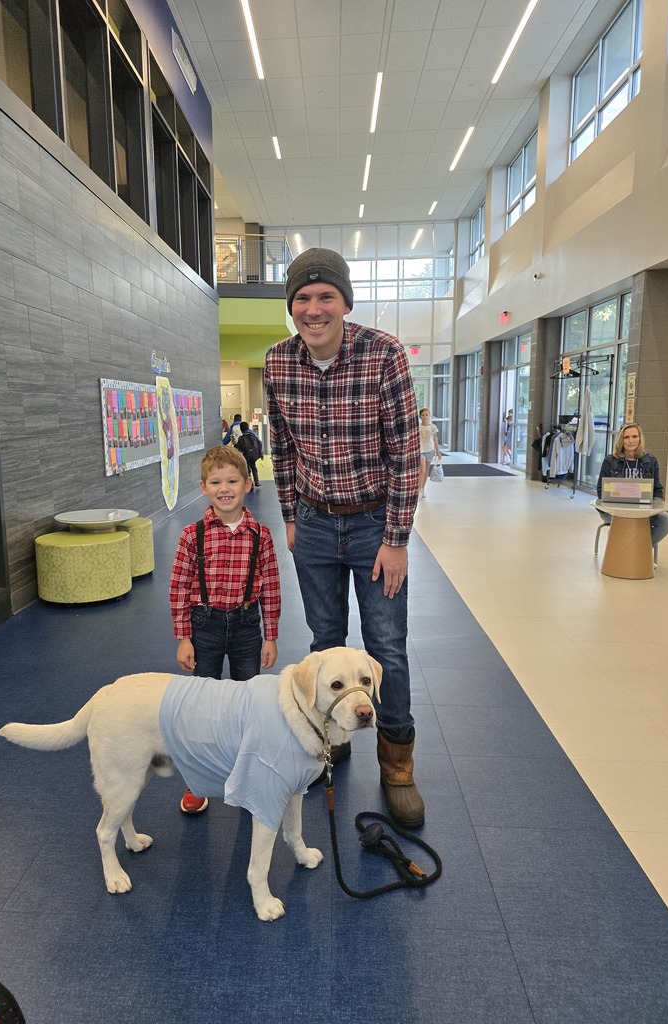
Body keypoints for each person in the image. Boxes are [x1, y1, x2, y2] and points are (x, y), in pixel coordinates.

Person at [264, 246, 425, 828]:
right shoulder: (278, 362)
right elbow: (280, 447)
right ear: (292, 307)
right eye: (302, 298)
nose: (313, 308)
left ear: (344, 301)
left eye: (325, 296)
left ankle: (398, 763)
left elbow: (408, 452)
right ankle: (328, 740)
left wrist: (397, 537)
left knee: (386, 649)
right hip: (311, 521)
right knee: (323, 643)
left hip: (373, 525)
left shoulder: (384, 355)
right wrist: (288, 513)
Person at [169, 445, 281, 813]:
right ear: (203, 487)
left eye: (232, 480)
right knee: (202, 702)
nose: (225, 487)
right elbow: (179, 587)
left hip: (248, 626)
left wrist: (271, 635)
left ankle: (249, 773)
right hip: (206, 626)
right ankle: (198, 780)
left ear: (248, 484)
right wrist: (184, 636)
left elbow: (272, 585)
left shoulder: (260, 535)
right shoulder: (192, 534)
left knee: (250, 700)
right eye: (216, 482)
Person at [596, 422, 668, 546]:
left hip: (644, 512)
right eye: (626, 437)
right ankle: (628, 555)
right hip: (615, 512)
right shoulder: (610, 460)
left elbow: (657, 489)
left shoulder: (651, 460)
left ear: (640, 439)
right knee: (627, 523)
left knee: (667, 520)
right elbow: (601, 489)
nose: (631, 441)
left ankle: (642, 552)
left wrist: (654, 506)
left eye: (634, 436)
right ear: (621, 440)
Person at [418, 407, 441, 496]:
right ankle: (419, 490)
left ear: (429, 415)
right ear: (420, 417)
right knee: (422, 470)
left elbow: (435, 440)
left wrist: (438, 452)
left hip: (430, 450)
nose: (425, 417)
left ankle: (423, 489)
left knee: (426, 470)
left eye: (426, 415)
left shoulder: (433, 427)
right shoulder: (418, 427)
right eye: (423, 415)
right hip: (420, 451)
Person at [235, 420, 263, 489]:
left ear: (241, 429)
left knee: (247, 469)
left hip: (246, 456)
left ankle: (251, 485)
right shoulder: (253, 436)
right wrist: (260, 454)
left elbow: (238, 447)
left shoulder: (241, 438)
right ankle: (257, 481)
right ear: (248, 428)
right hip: (254, 455)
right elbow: (259, 443)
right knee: (254, 467)